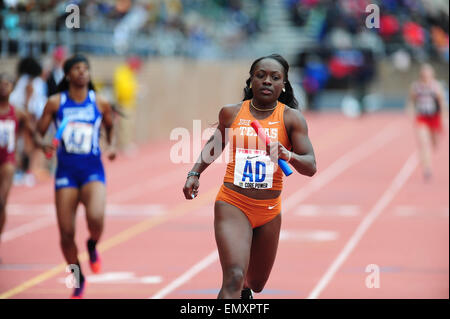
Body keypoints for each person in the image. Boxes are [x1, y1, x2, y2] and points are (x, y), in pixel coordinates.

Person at [183, 54, 317, 299]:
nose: (267, 81)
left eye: (275, 78)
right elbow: (215, 145)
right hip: (233, 202)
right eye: (261, 75)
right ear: (251, 80)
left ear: (284, 84)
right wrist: (195, 173)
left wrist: (288, 155)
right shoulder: (232, 113)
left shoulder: (291, 118)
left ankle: (245, 292)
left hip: (268, 209)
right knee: (234, 276)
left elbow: (311, 166)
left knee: (254, 282)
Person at [35, 55, 116, 298]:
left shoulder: (99, 102)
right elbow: (38, 134)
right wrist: (45, 145)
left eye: (85, 69)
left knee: (96, 218)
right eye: (77, 69)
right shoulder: (55, 102)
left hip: (92, 169)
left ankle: (92, 244)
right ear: (68, 74)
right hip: (66, 172)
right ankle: (77, 275)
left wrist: (110, 145)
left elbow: (110, 125)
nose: (82, 72)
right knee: (66, 233)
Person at [0, 73, 42, 248]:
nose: (3, 87)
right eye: (1, 84)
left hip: (7, 160)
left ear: (12, 88)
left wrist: (43, 145)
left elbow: (33, 133)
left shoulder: (17, 112)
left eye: (7, 84)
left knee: (1, 202)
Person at [406, 63, 448, 180]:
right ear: (421, 74)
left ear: (432, 74)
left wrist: (444, 118)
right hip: (422, 117)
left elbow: (442, 103)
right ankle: (427, 168)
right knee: (424, 143)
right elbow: (411, 101)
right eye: (424, 73)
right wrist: (410, 110)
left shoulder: (436, 86)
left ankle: (434, 142)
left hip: (434, 117)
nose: (426, 76)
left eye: (428, 73)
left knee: (434, 142)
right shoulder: (416, 86)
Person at [113, 56, 141, 155]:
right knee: (125, 126)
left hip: (130, 103)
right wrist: (134, 91)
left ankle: (126, 144)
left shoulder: (129, 73)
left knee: (128, 125)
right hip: (124, 103)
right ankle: (124, 146)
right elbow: (123, 89)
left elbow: (132, 86)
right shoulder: (123, 72)